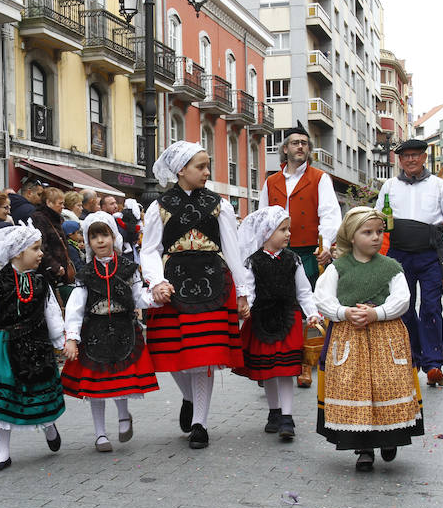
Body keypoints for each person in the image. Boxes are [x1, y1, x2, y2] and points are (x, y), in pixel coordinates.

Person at [140, 141, 251, 449]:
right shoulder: (158, 206)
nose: (206, 172)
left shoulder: (220, 204)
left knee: (205, 356)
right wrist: (156, 282)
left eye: (207, 165)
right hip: (172, 286)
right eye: (200, 166)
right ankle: (189, 397)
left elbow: (232, 248)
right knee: (173, 354)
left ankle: (200, 422)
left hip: (213, 281)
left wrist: (242, 291)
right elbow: (149, 250)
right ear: (181, 170)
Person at [314, 207, 422, 471]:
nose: (375, 237)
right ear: (352, 236)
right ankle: (363, 448)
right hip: (351, 336)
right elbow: (322, 297)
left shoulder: (391, 267)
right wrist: (343, 312)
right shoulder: (338, 268)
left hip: (385, 336)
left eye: (379, 232)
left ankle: (389, 437)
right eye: (368, 232)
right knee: (357, 386)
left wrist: (378, 312)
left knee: (387, 384)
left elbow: (402, 298)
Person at [0, 224, 66, 472]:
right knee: (3, 399)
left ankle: (48, 424)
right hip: (4, 347)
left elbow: (52, 313)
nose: (41, 252)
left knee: (38, 389)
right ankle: (3, 453)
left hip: (36, 344)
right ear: (17, 253)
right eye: (35, 248)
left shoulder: (42, 283)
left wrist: (60, 342)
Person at [61, 212, 159, 452]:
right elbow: (75, 306)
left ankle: (124, 415)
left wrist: (156, 296)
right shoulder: (85, 273)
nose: (100, 241)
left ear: (113, 237)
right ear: (88, 241)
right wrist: (72, 337)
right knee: (96, 387)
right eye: (94, 236)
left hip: (125, 329)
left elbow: (138, 296)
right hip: (95, 331)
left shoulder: (128, 268)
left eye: (104, 234)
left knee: (121, 379)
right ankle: (100, 434)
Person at [375, 139, 443, 387]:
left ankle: (434, 364)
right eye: (406, 156)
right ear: (400, 160)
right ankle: (411, 359)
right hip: (397, 256)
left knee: (431, 308)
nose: (411, 159)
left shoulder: (439, 186)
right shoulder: (389, 186)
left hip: (430, 255)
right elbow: (376, 220)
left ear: (425, 157)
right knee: (403, 308)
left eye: (416, 155)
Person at [258, 122, 341, 388]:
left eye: (304, 143)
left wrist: (326, 244)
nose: (300, 147)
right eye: (295, 143)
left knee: (307, 308)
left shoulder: (319, 178)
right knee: (276, 305)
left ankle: (305, 364)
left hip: (307, 250)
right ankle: (273, 360)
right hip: (277, 252)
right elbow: (261, 218)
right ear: (285, 149)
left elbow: (329, 213)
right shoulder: (271, 181)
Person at [233, 206, 320, 441]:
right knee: (268, 371)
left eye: (288, 229)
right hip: (261, 320)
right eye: (283, 229)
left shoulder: (294, 259)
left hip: (288, 318)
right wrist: (245, 307)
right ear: (267, 232)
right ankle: (274, 412)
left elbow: (304, 291)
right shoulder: (253, 262)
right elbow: (249, 291)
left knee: (286, 370)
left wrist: (312, 313)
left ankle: (287, 416)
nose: (288, 233)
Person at [30, 187, 71, 290]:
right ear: (49, 202)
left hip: (57, 271)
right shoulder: (40, 218)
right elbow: (41, 246)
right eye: (60, 203)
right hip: (48, 272)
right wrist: (54, 266)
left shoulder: (55, 218)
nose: (63, 206)